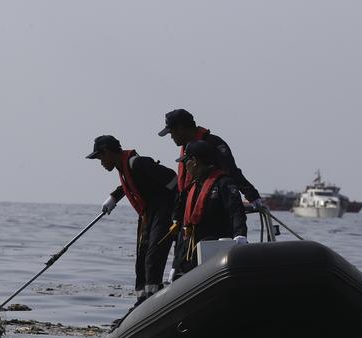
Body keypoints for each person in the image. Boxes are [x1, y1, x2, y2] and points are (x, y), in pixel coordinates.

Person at [157, 109, 260, 279]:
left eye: (172, 132)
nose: (171, 137)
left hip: (214, 218)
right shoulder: (192, 173)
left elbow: (233, 176)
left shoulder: (214, 147)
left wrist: (253, 197)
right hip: (191, 225)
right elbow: (183, 192)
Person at [85, 135, 177, 305]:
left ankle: (153, 300)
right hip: (147, 214)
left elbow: (173, 179)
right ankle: (142, 300)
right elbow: (129, 183)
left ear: (107, 152)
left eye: (100, 157)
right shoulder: (124, 167)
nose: (101, 162)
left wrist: (177, 210)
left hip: (164, 211)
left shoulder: (138, 163)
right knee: (141, 258)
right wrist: (114, 197)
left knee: (153, 255)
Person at [175, 140, 248, 275]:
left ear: (195, 161)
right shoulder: (193, 187)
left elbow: (237, 211)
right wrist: (176, 263)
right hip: (192, 248)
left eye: (186, 162)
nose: (185, 166)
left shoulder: (223, 183)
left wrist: (240, 235)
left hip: (214, 248)